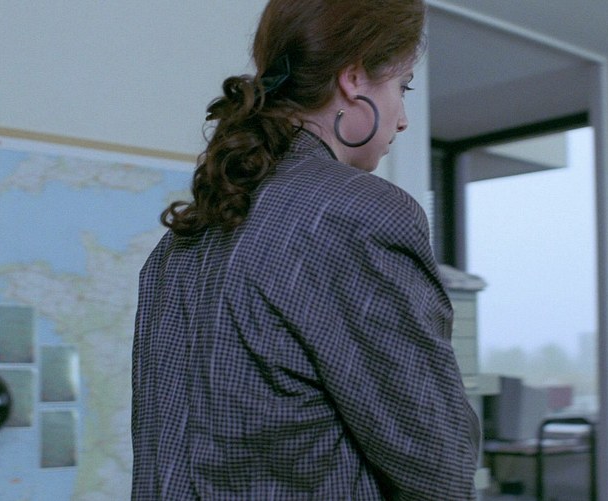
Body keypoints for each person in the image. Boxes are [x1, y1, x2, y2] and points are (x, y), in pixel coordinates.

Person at [130, 0, 480, 499]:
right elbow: (439, 466)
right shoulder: (362, 213)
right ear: (353, 78)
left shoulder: (180, 243)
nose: (403, 119)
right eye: (401, 87)